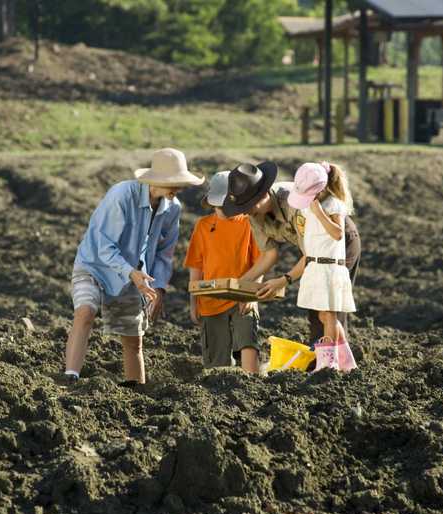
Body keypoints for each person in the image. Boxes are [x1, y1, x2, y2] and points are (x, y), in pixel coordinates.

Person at [64, 148, 204, 386]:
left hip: (134, 274)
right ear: (155, 180)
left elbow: (164, 253)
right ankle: (70, 377)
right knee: (85, 312)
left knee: (133, 338)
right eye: (174, 183)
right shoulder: (121, 195)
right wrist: (131, 272)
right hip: (95, 265)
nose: (178, 189)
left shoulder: (173, 208)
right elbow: (103, 245)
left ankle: (135, 390)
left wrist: (159, 287)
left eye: (180, 183)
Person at [222, 161, 361, 347]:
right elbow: (268, 255)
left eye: (248, 206)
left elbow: (312, 254)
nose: (245, 212)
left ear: (263, 196)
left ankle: (328, 365)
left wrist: (284, 280)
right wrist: (240, 288)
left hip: (336, 243)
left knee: (325, 308)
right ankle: (336, 359)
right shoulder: (254, 216)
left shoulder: (295, 204)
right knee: (320, 308)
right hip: (312, 251)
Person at [184, 171, 263, 373]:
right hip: (210, 300)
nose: (221, 210)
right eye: (217, 206)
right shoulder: (202, 226)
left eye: (225, 205)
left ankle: (252, 384)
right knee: (216, 366)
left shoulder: (249, 223)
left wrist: (251, 295)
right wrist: (194, 302)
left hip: (243, 298)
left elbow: (260, 263)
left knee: (248, 343)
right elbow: (196, 266)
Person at [282, 162, 357, 371]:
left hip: (329, 267)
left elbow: (338, 233)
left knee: (329, 315)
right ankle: (346, 360)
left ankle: (328, 362)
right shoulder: (309, 207)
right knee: (324, 316)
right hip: (315, 266)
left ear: (321, 189)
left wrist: (319, 213)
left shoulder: (334, 205)